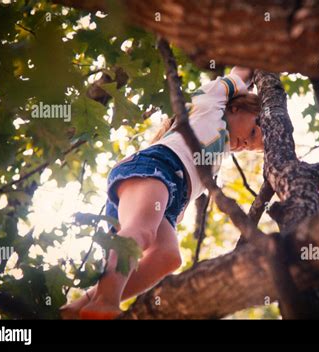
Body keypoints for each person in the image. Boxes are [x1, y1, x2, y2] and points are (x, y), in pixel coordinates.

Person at [60, 66, 264, 319]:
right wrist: (261, 66)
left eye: (250, 147)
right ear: (238, 107)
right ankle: (105, 302)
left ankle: (79, 307)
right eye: (253, 132)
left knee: (167, 256)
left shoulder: (219, 152)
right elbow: (240, 71)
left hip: (169, 198)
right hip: (156, 168)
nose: (245, 144)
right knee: (142, 231)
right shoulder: (211, 105)